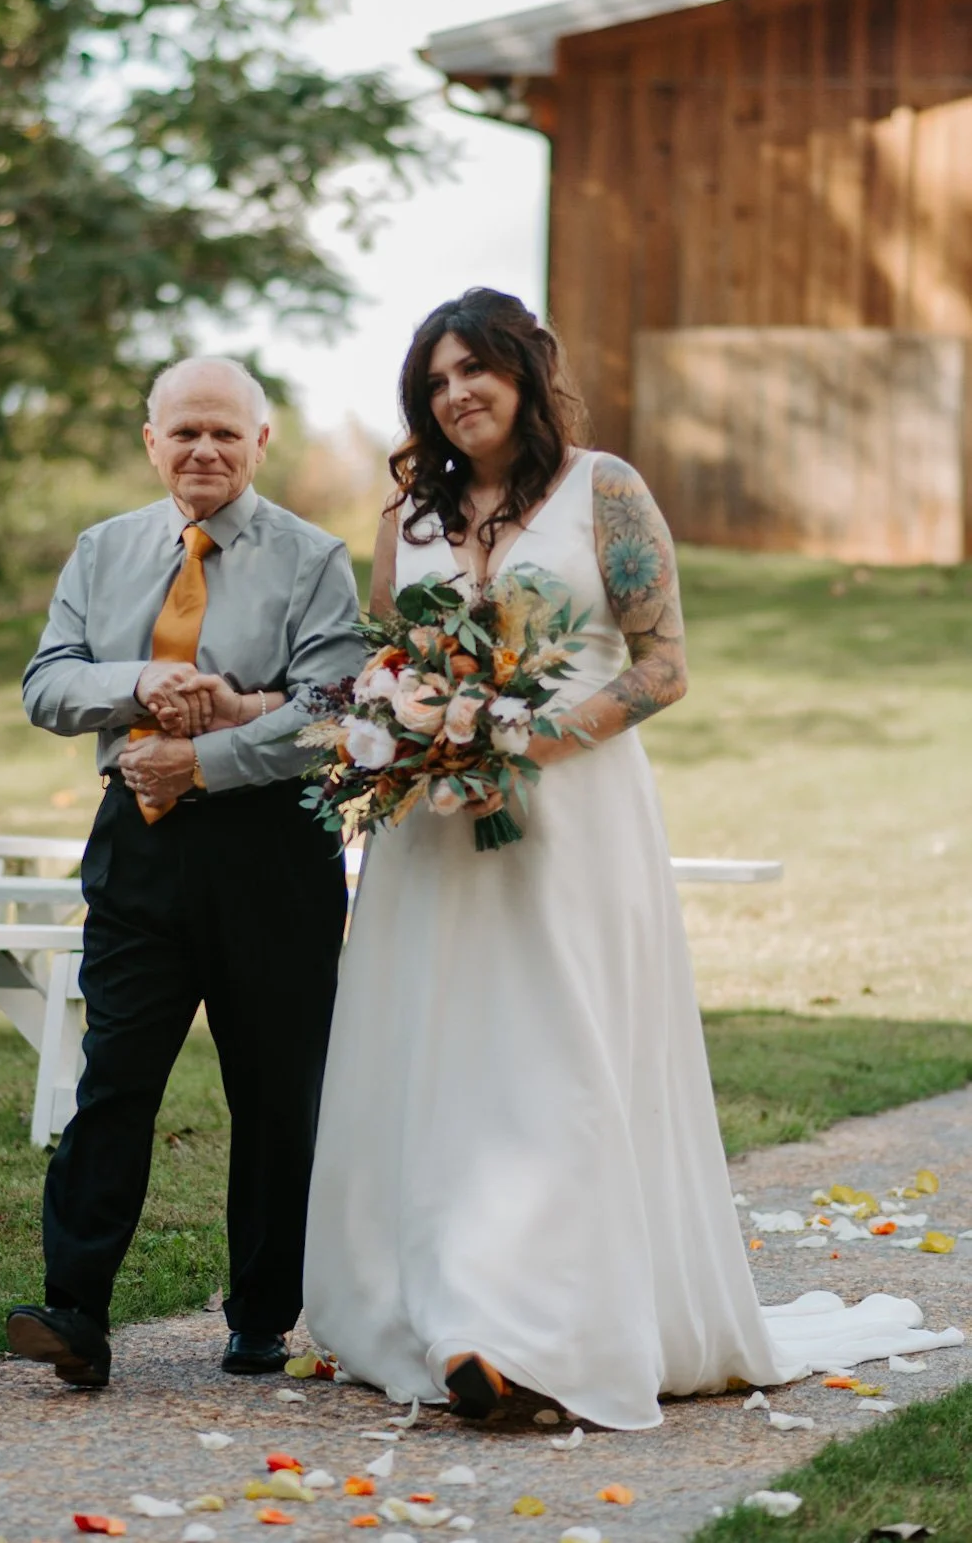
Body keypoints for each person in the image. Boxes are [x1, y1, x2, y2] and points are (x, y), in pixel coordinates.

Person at [303, 288, 961, 1428]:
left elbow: (662, 664)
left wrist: (526, 735)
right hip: (431, 835)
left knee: (558, 1054)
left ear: (523, 369)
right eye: (436, 378)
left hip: (572, 820)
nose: (456, 393)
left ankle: (540, 1327)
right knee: (438, 1054)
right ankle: (440, 1308)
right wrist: (407, 726)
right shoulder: (408, 518)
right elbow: (389, 660)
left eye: (475, 369)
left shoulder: (602, 491)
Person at [8, 356, 363, 1388]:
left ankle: (260, 1315)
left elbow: (333, 711)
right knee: (113, 1077)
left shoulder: (311, 558)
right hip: (138, 848)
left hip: (274, 855)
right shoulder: (104, 549)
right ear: (150, 441)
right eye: (183, 432)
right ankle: (73, 1310)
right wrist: (139, 681)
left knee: (273, 1089)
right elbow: (47, 681)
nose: (202, 451)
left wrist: (201, 761)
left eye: (224, 434)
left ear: (260, 445)